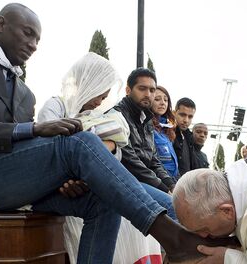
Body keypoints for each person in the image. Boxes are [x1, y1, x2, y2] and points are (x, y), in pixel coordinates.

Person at [0, 4, 236, 263]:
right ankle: (172, 237)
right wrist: (35, 128)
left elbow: (26, 155)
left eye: (38, 38)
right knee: (79, 143)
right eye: (27, 33)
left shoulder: (24, 91)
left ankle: (202, 232)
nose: (34, 44)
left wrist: (62, 179)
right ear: (1, 24)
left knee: (101, 199)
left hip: (15, 184)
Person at [38, 52, 169, 264]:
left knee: (159, 205)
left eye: (105, 95)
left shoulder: (100, 115)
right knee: (120, 203)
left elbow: (112, 151)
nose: (101, 100)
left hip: (93, 182)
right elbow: (50, 151)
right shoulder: (56, 107)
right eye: (99, 93)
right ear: (88, 83)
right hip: (61, 185)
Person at [110, 68, 176, 193]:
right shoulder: (117, 115)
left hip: (145, 182)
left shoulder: (147, 120)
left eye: (152, 90)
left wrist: (171, 185)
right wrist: (163, 188)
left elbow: (154, 161)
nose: (148, 94)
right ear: (128, 90)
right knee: (172, 207)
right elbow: (130, 162)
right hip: (125, 183)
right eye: (142, 88)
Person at [151, 85, 179, 179]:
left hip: (173, 180)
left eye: (166, 100)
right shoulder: (148, 127)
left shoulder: (166, 129)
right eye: (157, 99)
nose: (163, 103)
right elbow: (153, 162)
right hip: (160, 181)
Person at [173, 97, 198, 175]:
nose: (186, 120)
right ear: (174, 113)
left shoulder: (189, 137)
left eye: (190, 117)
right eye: (182, 115)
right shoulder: (166, 133)